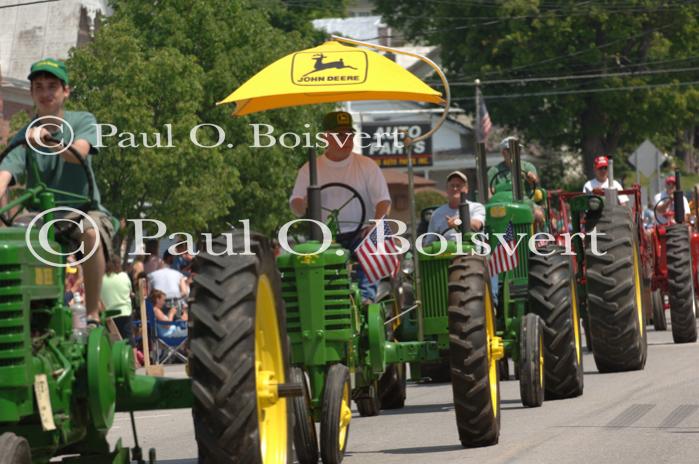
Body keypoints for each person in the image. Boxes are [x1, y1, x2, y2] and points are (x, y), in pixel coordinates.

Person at [0, 58, 114, 327]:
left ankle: (92, 316)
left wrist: (48, 141)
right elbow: (4, 174)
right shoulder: (23, 137)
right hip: (41, 216)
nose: (45, 93)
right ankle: (28, 315)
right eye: (38, 87)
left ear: (66, 91)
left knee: (90, 231)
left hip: (82, 211)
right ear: (31, 94)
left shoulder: (83, 120)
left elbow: (79, 154)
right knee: (12, 239)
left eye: (52, 86)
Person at [289, 111, 391, 303]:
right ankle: (318, 302)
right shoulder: (310, 169)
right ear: (326, 137)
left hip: (361, 233)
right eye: (340, 136)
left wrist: (374, 224)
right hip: (325, 238)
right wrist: (304, 203)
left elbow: (383, 202)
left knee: (378, 235)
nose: (347, 140)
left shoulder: (366, 165)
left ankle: (367, 300)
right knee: (304, 256)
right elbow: (296, 204)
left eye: (350, 135)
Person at [488, 136, 544, 226]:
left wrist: (531, 178)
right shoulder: (494, 171)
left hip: (525, 201)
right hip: (500, 204)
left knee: (538, 214)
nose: (515, 153)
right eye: (510, 150)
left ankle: (542, 238)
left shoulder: (527, 166)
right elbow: (489, 193)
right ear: (503, 153)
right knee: (485, 217)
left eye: (518, 150)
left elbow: (534, 181)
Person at [424, 171, 485, 246]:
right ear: (446, 189)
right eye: (452, 185)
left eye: (458, 185)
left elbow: (476, 225)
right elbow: (429, 243)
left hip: (474, 254)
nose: (455, 188)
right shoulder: (437, 214)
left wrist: (459, 222)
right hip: (447, 255)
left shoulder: (477, 207)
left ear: (466, 189)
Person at [101, 255, 134, 344]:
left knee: (111, 342)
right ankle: (134, 357)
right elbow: (130, 293)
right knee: (129, 341)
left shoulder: (101, 279)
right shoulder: (124, 276)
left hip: (108, 315)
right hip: (124, 312)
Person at [147, 250, 189, 316]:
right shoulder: (178, 274)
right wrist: (175, 295)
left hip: (158, 303)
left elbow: (148, 293)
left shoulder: (150, 275)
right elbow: (184, 292)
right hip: (174, 303)